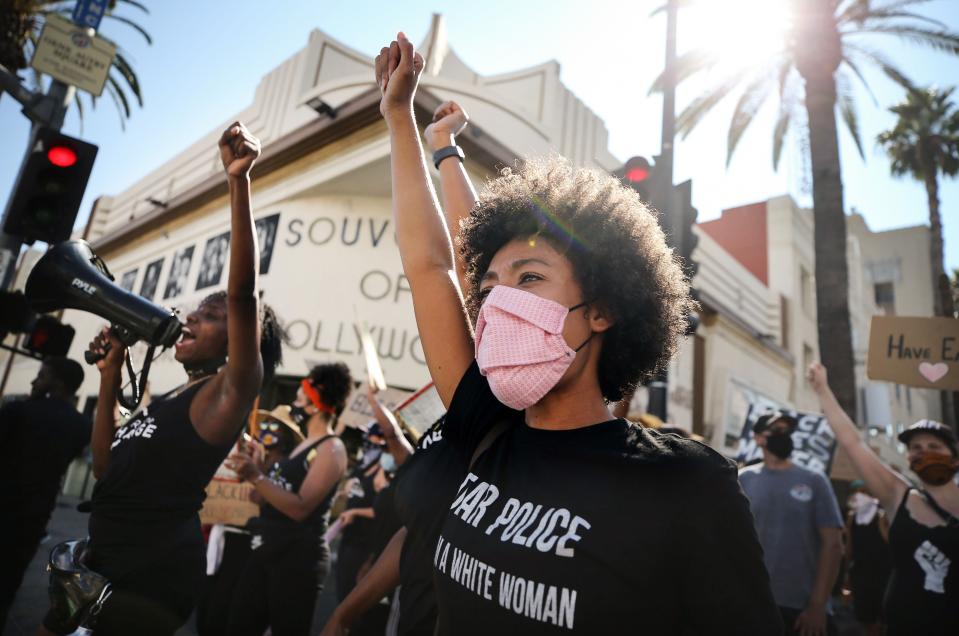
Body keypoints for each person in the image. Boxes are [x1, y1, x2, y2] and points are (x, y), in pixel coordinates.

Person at [371, 32, 781, 634]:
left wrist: (442, 151)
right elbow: (435, 265)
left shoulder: (687, 482)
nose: (499, 304)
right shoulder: (483, 427)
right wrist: (401, 119)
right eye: (488, 290)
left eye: (530, 277)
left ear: (604, 309)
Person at [39, 122, 285, 636]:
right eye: (196, 310)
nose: (192, 317)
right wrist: (109, 375)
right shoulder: (175, 396)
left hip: (148, 580)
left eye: (211, 314)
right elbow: (105, 470)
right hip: (102, 567)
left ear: (241, 340)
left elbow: (243, 296)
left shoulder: (229, 391)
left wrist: (238, 181)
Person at [808, 362, 959, 635]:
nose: (924, 453)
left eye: (934, 447)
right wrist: (822, 390)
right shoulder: (897, 494)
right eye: (916, 448)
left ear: (954, 458)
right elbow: (853, 442)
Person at [225, 363, 352, 636]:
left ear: (316, 404)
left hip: (297, 561)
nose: (294, 403)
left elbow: (300, 508)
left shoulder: (332, 449)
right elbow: (260, 499)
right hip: (267, 549)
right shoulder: (302, 446)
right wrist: (258, 468)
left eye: (299, 397)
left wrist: (258, 476)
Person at [196, 406, 304, 636]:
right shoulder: (257, 459)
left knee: (230, 607)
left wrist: (257, 472)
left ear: (285, 436)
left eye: (274, 427)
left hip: (251, 544)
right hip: (228, 535)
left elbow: (260, 499)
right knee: (210, 604)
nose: (266, 430)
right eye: (264, 425)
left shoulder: (285, 468)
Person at [0, 357, 91, 629]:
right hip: (34, 513)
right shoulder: (82, 424)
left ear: (55, 382)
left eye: (41, 375)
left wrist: (30, 400)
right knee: (8, 580)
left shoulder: (20, 410)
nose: (34, 380)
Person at [738, 410, 844, 636]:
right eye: (776, 431)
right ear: (758, 438)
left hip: (802, 610)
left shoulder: (814, 480)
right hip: (754, 603)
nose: (783, 436)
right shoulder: (743, 479)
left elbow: (833, 545)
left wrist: (817, 605)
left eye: (787, 431)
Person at [844, 479, 890, 636]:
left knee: (881, 619)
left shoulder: (883, 514)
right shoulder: (853, 517)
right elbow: (849, 547)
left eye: (864, 492)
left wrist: (882, 527)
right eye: (857, 492)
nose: (859, 496)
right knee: (865, 618)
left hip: (883, 574)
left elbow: (893, 544)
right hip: (861, 573)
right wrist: (847, 574)